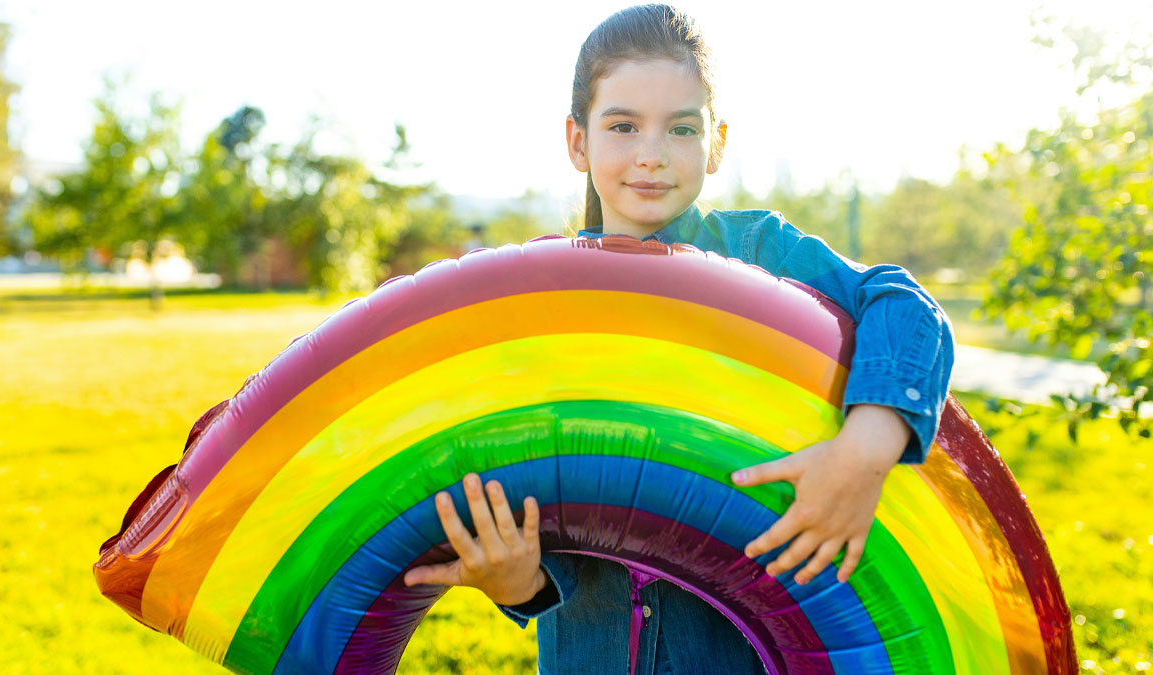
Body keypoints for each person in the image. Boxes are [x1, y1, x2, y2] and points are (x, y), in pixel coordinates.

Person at [402, 4, 955, 673]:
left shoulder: (758, 255)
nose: (651, 155)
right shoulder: (541, 300)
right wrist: (519, 584)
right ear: (578, 141)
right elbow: (530, 486)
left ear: (716, 141)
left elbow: (902, 303)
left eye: (681, 128)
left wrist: (866, 447)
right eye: (623, 125)